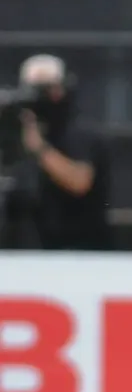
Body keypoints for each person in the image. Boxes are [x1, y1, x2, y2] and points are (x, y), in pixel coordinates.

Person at [0, 54, 112, 250]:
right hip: (27, 246)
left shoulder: (79, 131)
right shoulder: (17, 129)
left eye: (47, 89)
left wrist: (39, 149)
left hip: (79, 247)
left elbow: (80, 181)